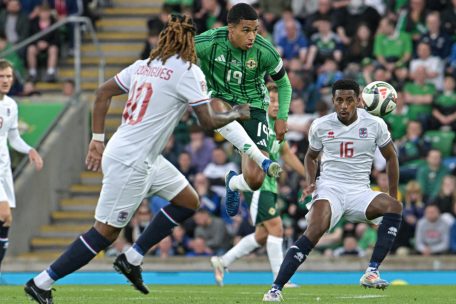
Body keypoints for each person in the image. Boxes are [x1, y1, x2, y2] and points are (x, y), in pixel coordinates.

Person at [24, 14, 250, 303]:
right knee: (104, 234)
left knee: (188, 201)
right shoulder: (189, 71)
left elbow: (103, 93)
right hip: (132, 161)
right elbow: (207, 121)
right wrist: (235, 113)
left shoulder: (144, 65)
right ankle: (41, 283)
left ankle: (132, 257)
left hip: (139, 153)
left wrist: (97, 139)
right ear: (190, 42)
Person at [263, 79, 402, 301]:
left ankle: (372, 272)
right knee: (314, 230)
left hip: (360, 191)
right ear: (333, 101)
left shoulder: (375, 124)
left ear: (358, 101)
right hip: (330, 188)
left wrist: (392, 195)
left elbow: (391, 157)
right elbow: (310, 156)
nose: (344, 105)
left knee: (395, 207)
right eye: (339, 100)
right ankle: (275, 289)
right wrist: (310, 181)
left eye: (349, 100)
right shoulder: (320, 125)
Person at [195, 3, 291, 217]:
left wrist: (282, 116)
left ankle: (234, 183)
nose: (252, 36)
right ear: (231, 29)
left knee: (255, 180)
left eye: (255, 30)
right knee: (215, 104)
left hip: (253, 107)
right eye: (246, 30)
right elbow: (177, 55)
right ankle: (262, 160)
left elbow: (284, 84)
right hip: (220, 100)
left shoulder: (265, 51)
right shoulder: (209, 42)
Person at [210, 82, 305, 286]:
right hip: (259, 185)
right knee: (277, 228)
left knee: (263, 235)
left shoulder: (276, 126)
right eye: (272, 100)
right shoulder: (258, 121)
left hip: (271, 185)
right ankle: (281, 278)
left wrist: (309, 176)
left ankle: (222, 261)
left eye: (279, 101)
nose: (276, 105)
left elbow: (286, 154)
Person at [0, 59, 43, 275]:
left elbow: (13, 137)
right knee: (4, 214)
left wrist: (30, 150)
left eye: (9, 76)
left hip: (4, 168)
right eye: (2, 76)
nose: (6, 80)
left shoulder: (10, 105)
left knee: (7, 220)